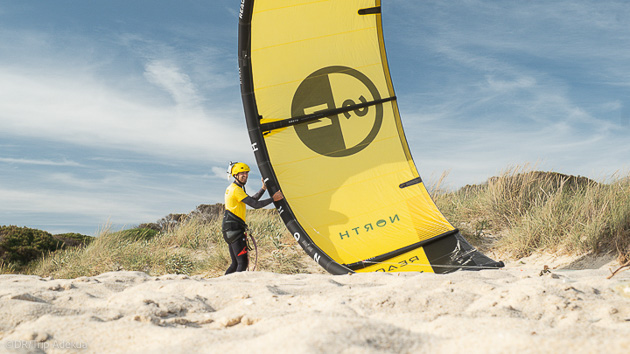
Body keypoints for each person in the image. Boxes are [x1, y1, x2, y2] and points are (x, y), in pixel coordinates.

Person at [222, 162, 283, 275]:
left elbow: (252, 200)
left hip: (230, 228)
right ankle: (235, 285)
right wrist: (273, 199)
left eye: (246, 173)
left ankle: (223, 283)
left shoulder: (235, 188)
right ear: (235, 175)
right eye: (242, 174)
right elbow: (255, 205)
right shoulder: (236, 189)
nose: (245, 175)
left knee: (235, 263)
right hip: (234, 230)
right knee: (242, 263)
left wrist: (263, 188)